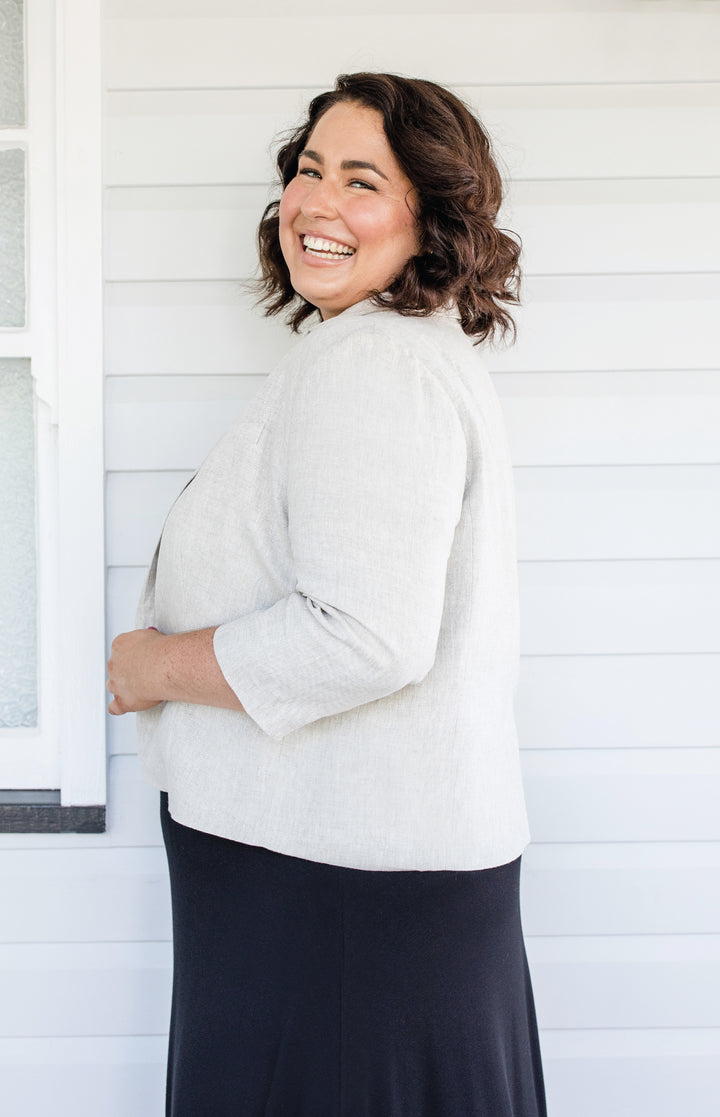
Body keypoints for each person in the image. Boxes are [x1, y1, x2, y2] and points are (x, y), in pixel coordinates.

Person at [107, 72, 547, 1117]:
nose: (316, 203)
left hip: (334, 901)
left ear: (428, 218)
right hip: (337, 890)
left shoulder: (377, 368)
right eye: (308, 171)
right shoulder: (377, 353)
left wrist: (148, 667)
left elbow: (364, 637)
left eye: (362, 181)